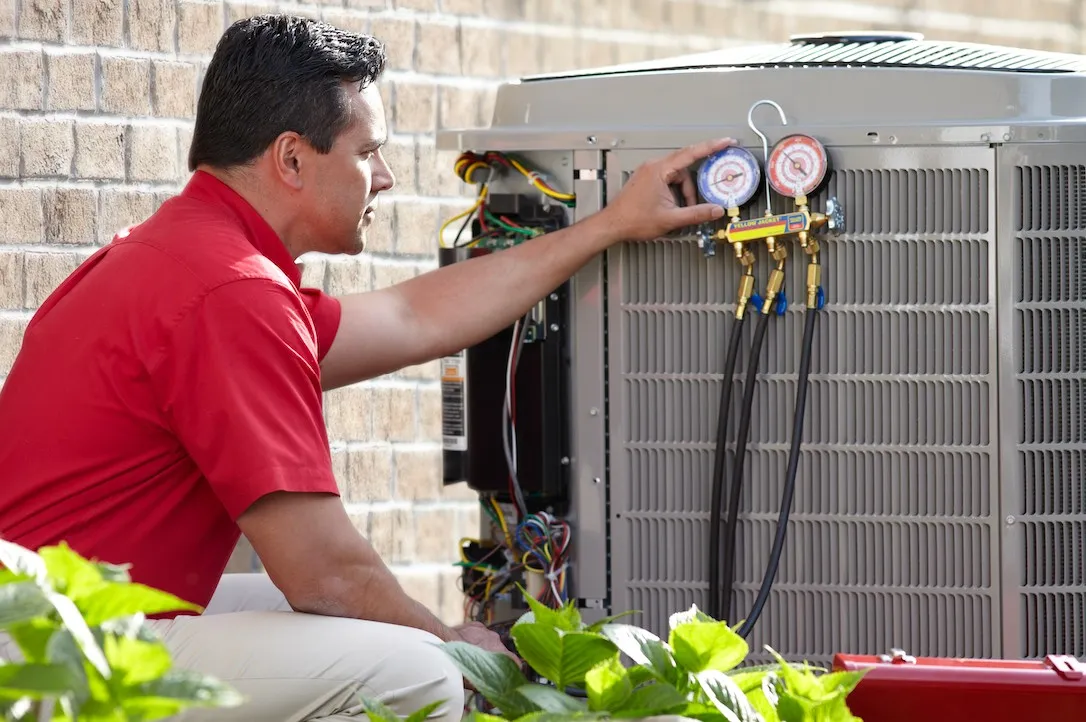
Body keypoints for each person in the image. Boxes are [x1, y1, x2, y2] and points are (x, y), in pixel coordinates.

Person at [0, 13, 732, 722]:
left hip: (56, 620)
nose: (384, 178)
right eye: (366, 152)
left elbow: (418, 318)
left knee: (367, 634)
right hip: (44, 652)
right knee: (414, 673)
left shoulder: (191, 259)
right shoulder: (231, 294)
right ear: (291, 159)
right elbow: (323, 571)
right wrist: (451, 643)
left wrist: (610, 223)